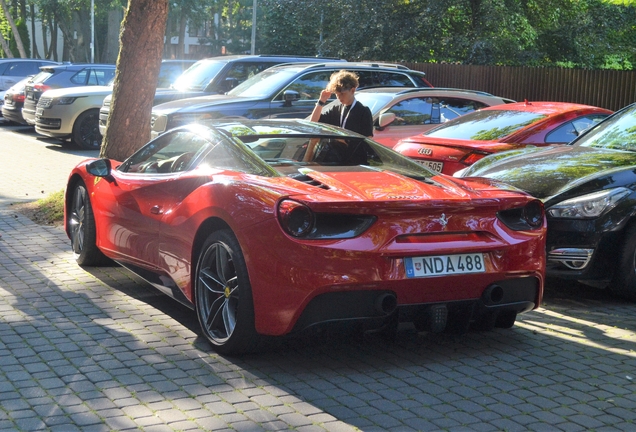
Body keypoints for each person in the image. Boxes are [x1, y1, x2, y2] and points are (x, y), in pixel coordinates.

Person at [310, 70, 374, 137]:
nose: (339, 97)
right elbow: (313, 123)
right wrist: (321, 101)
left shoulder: (363, 111)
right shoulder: (335, 109)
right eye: (337, 94)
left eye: (342, 94)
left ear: (352, 90)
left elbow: (368, 138)